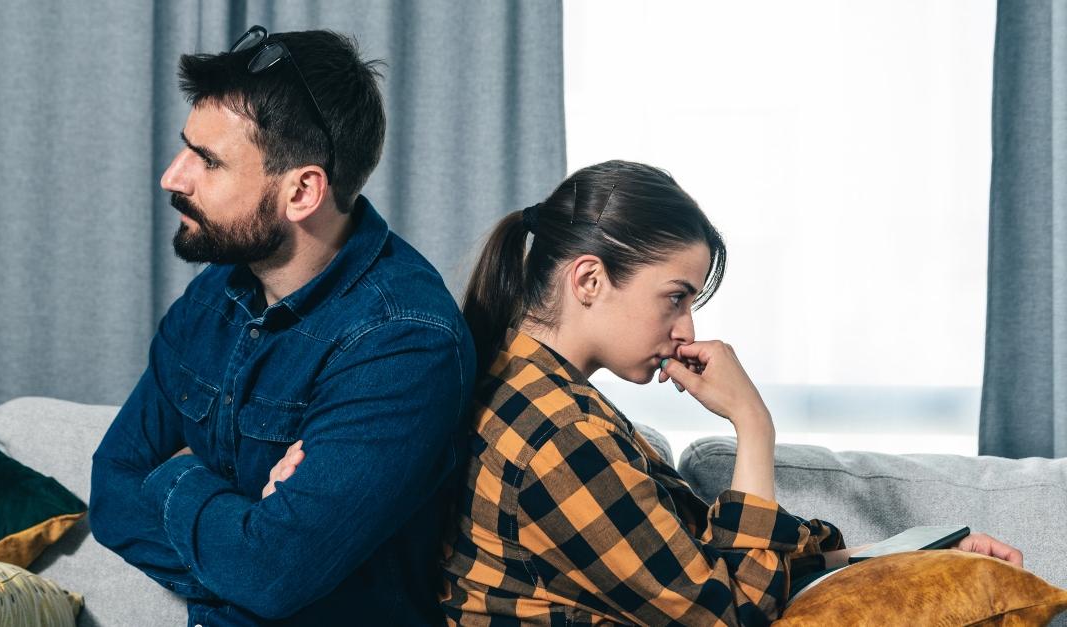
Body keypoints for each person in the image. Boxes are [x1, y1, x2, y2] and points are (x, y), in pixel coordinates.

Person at [439, 160, 1022, 625]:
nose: (687, 330)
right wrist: (752, 422)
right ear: (590, 280)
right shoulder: (559, 439)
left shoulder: (536, 392)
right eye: (675, 296)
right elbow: (727, 613)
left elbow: (710, 565)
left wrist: (913, 553)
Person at [89, 27, 475, 626]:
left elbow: (272, 575)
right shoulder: (214, 295)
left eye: (208, 161)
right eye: (186, 147)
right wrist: (243, 536)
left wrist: (178, 473)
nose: (172, 176)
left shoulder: (403, 340)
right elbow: (110, 490)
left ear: (302, 191)